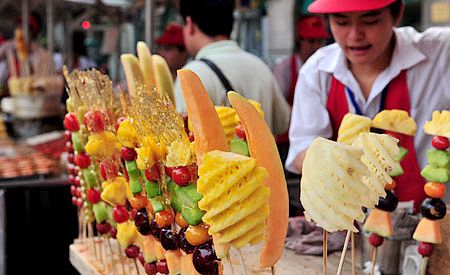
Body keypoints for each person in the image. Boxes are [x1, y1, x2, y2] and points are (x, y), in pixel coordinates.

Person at [286, 0, 450, 210]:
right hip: (350, 221)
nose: (355, 35)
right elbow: (302, 149)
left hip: (426, 217)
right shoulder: (317, 72)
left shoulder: (438, 54)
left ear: (397, 13)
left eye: (370, 21)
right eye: (342, 22)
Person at [174, 0, 290, 135]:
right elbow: (283, 123)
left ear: (189, 24)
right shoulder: (260, 66)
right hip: (267, 156)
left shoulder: (191, 74)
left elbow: (183, 137)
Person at [273, 15, 329, 105]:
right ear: (299, 41)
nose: (316, 47)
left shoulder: (328, 69)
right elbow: (278, 104)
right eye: (311, 41)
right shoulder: (284, 69)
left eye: (320, 42)